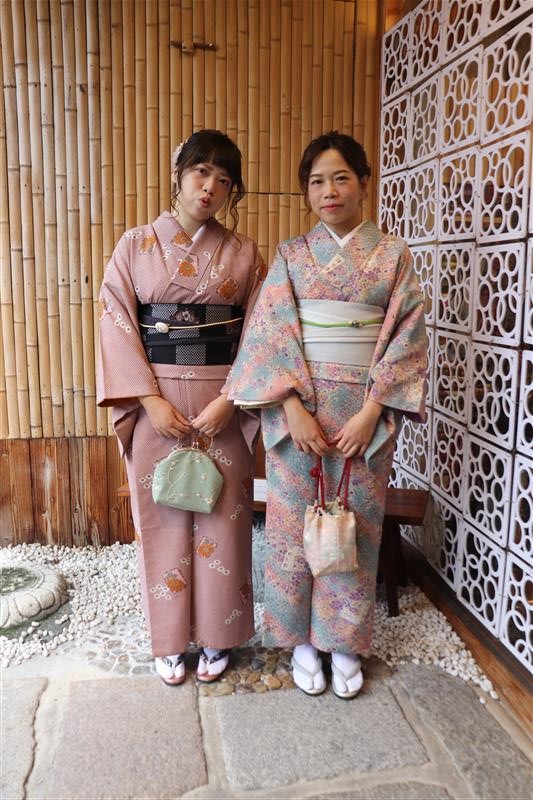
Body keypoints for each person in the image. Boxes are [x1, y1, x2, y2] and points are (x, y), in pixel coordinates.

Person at [225, 132, 427, 699]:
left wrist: (372, 412)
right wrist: (291, 408)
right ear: (306, 192)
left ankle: (343, 642)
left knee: (355, 529)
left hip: (364, 416)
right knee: (292, 530)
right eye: (316, 182)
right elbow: (268, 335)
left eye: (341, 178)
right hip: (300, 419)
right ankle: (300, 642)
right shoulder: (292, 256)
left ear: (364, 182)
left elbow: (407, 337)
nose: (329, 191)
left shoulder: (392, 256)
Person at [97, 130, 265, 686]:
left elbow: (262, 333)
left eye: (223, 179)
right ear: (178, 173)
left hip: (223, 401)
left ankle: (218, 634)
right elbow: (117, 324)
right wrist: (148, 401)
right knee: (164, 519)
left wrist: (230, 400)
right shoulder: (135, 246)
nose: (209, 187)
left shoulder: (245, 254)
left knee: (225, 519)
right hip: (156, 404)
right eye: (200, 172)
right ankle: (169, 640)